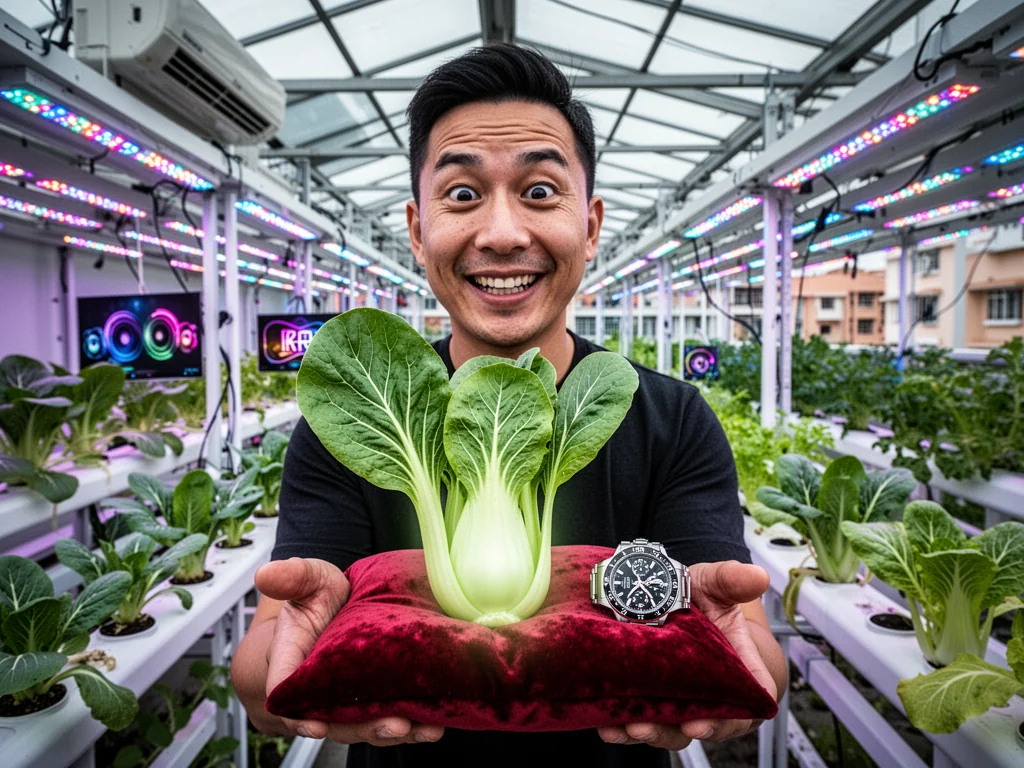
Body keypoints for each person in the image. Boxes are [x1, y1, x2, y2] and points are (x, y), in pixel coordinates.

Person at [232, 43, 786, 768]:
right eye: (462, 194)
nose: (501, 234)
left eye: (539, 192)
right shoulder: (354, 405)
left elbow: (761, 667)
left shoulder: (672, 417)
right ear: (417, 227)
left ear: (589, 226)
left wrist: (726, 658)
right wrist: (289, 657)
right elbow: (256, 678)